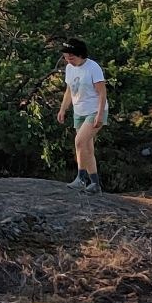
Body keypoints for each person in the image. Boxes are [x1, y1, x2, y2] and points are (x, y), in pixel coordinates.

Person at [55, 38, 107, 194]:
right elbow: (70, 90)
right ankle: (95, 184)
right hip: (79, 111)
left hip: (94, 111)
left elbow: (102, 92)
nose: (68, 59)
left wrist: (99, 114)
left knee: (79, 142)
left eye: (71, 56)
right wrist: (63, 109)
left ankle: (81, 179)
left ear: (80, 54)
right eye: (66, 56)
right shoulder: (70, 69)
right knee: (87, 147)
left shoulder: (93, 67)